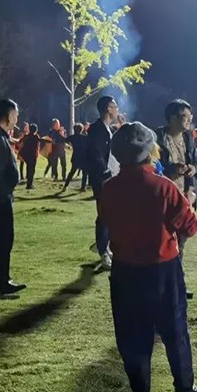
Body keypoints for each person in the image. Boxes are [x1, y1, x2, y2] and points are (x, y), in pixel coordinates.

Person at [99, 121, 197, 392]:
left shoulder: (109, 189)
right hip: (162, 269)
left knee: (132, 336)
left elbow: (108, 221)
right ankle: (184, 388)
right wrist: (189, 202)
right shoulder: (163, 187)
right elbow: (191, 226)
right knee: (174, 328)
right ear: (150, 151)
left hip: (124, 272)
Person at [155, 99, 197, 300]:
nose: (189, 120)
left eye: (190, 116)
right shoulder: (157, 139)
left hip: (185, 198)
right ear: (172, 118)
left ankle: (177, 284)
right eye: (184, 116)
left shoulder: (189, 138)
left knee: (180, 244)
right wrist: (170, 169)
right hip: (163, 200)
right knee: (163, 244)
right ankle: (164, 285)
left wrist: (193, 170)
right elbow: (152, 167)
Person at [0, 99, 26, 296]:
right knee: (2, 240)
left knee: (2, 240)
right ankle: (1, 283)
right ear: (8, 115)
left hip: (1, 197)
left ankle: (0, 280)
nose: (17, 118)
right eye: (16, 114)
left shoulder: (1, 135)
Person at [86, 96, 120, 270]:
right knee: (105, 214)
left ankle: (104, 244)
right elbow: (97, 154)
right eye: (115, 106)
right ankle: (102, 250)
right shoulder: (97, 129)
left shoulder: (108, 129)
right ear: (108, 109)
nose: (117, 110)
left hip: (111, 177)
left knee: (111, 213)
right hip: (102, 179)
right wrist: (105, 173)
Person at [63, 123, 89, 192]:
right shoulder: (84, 137)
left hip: (75, 156)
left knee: (72, 172)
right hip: (83, 157)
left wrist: (69, 146)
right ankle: (83, 187)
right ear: (81, 129)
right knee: (85, 173)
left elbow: (65, 140)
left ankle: (65, 185)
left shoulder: (72, 137)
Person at [20, 124, 41, 190]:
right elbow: (41, 140)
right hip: (33, 155)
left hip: (26, 155)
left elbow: (20, 141)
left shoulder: (26, 136)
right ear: (36, 130)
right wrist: (49, 141)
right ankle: (29, 184)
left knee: (29, 168)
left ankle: (29, 184)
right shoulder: (35, 136)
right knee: (32, 170)